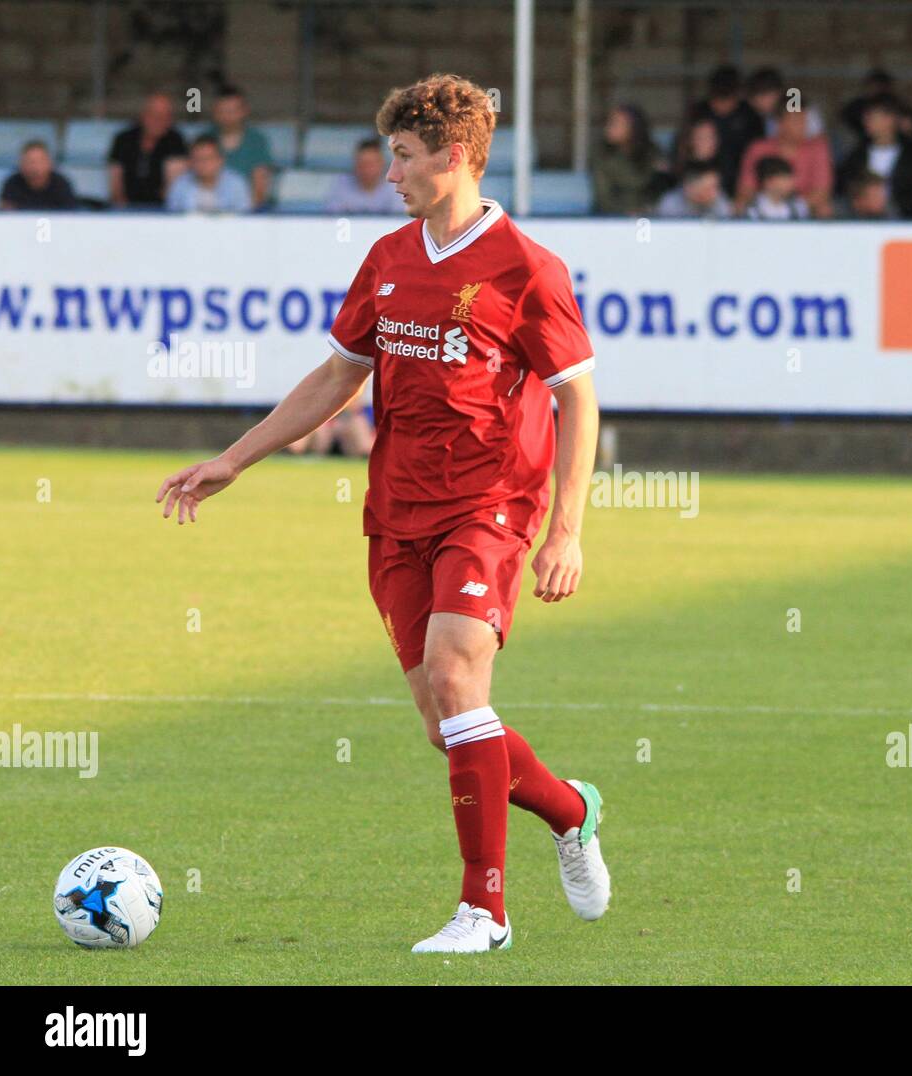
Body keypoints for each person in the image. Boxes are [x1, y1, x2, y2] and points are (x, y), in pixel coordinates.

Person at [155, 73, 611, 952]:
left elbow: (578, 399)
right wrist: (234, 460)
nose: (390, 172)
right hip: (396, 509)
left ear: (454, 156)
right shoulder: (391, 258)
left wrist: (567, 530)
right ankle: (570, 809)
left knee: (455, 681)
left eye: (404, 156)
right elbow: (336, 377)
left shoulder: (527, 269)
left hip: (490, 505)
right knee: (452, 728)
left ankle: (485, 912)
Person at [736, 101, 833, 218]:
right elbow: (746, 190)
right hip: (762, 214)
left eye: (805, 121)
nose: (803, 126)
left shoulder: (817, 148)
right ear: (779, 123)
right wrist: (768, 208)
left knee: (824, 209)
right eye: (797, 121)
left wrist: (789, 209)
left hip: (804, 213)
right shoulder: (758, 149)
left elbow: (821, 193)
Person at [682, 65, 765, 198]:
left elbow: (758, 152)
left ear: (737, 95)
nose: (722, 105)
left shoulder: (749, 114)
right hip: (700, 180)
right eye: (718, 99)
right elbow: (682, 151)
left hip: (740, 180)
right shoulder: (699, 111)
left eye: (727, 99)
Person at [835, 94, 912, 219]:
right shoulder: (855, 155)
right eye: (865, 117)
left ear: (890, 119)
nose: (866, 122)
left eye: (871, 117)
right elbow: (843, 188)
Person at [107, 91, 188, 208]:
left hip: (162, 209)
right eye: (154, 115)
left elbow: (173, 187)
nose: (159, 120)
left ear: (170, 119)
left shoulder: (176, 140)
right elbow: (116, 183)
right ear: (143, 115)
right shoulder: (123, 139)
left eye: (165, 116)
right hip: (126, 208)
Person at [203, 86, 275, 207]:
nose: (227, 117)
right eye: (222, 111)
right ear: (214, 112)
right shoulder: (204, 140)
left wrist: (243, 217)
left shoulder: (257, 141)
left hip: (246, 213)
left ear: (245, 111)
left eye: (232, 111)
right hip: (207, 210)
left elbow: (260, 187)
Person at [592, 104, 662, 216]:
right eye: (610, 122)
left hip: (651, 216)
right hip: (611, 217)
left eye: (617, 123)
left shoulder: (651, 152)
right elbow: (603, 197)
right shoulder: (602, 154)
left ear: (633, 127)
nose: (609, 128)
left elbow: (659, 190)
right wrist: (627, 211)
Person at [164, 135, 252, 214]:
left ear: (220, 160)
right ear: (190, 162)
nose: (203, 163)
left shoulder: (237, 184)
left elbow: (244, 219)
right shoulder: (180, 185)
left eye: (209, 158)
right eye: (198, 158)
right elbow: (172, 219)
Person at [325, 138, 404, 215]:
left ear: (382, 164)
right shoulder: (342, 183)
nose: (366, 169)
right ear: (355, 164)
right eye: (362, 164)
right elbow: (331, 219)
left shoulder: (395, 186)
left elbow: (399, 222)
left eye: (371, 164)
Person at [0, 140, 76, 210]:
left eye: (39, 161)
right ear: (21, 164)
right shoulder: (12, 183)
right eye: (30, 161)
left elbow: (69, 214)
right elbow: (6, 213)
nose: (35, 167)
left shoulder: (61, 184)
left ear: (49, 163)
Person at [655, 160, 731, 219]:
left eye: (716, 186)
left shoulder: (720, 201)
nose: (715, 192)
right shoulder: (670, 204)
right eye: (708, 188)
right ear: (689, 188)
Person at [743, 155, 810, 220]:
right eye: (784, 179)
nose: (791, 183)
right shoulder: (751, 208)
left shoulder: (798, 207)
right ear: (769, 181)